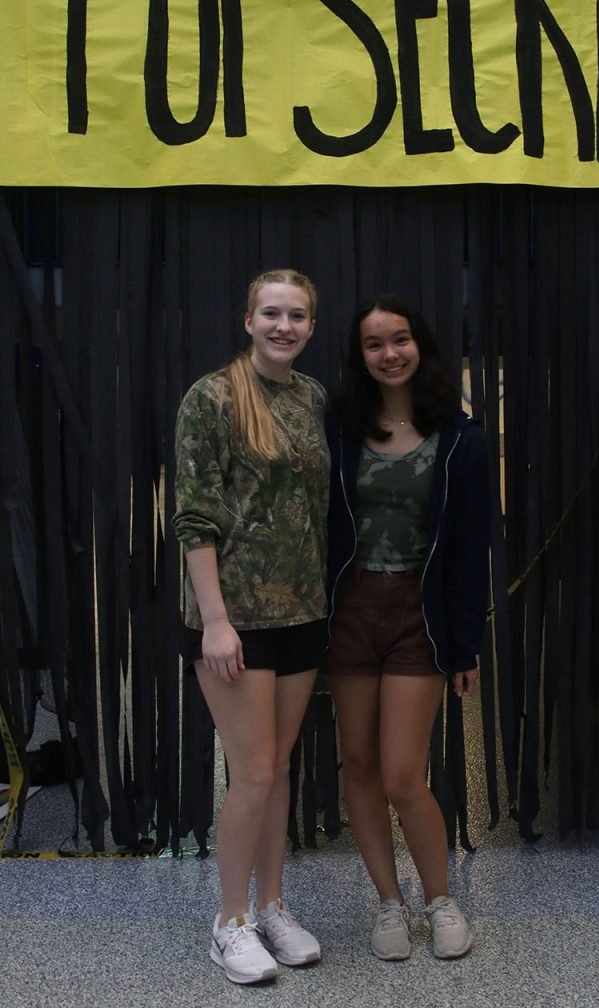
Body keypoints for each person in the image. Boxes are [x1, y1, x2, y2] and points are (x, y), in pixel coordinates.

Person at [173, 269, 329, 985]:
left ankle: (271, 905)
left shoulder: (311, 397)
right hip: (234, 620)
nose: (283, 326)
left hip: (302, 610)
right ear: (247, 320)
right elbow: (195, 516)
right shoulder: (209, 397)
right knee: (254, 772)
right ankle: (229, 922)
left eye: (296, 315)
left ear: (311, 326)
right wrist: (214, 622)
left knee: (279, 768)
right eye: (271, 313)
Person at [325, 294, 490, 962]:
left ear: (419, 345)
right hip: (349, 609)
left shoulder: (460, 437)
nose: (389, 353)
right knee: (358, 764)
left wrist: (465, 643)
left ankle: (440, 899)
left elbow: (470, 548)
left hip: (417, 612)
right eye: (373, 344)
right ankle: (388, 904)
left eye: (400, 340)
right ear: (359, 356)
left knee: (401, 774)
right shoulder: (338, 429)